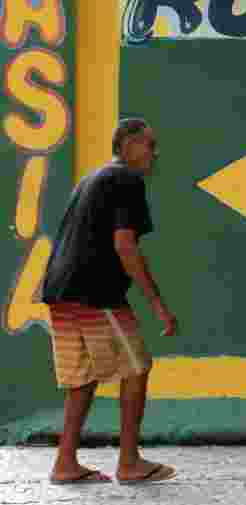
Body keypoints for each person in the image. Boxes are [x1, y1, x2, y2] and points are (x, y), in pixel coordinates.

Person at [40, 118, 178, 485]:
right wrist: (158, 305)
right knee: (136, 368)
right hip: (95, 293)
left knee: (82, 378)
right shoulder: (126, 179)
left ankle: (65, 463)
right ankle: (130, 462)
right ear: (130, 145)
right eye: (150, 145)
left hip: (60, 292)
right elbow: (125, 245)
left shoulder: (93, 178)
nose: (155, 153)